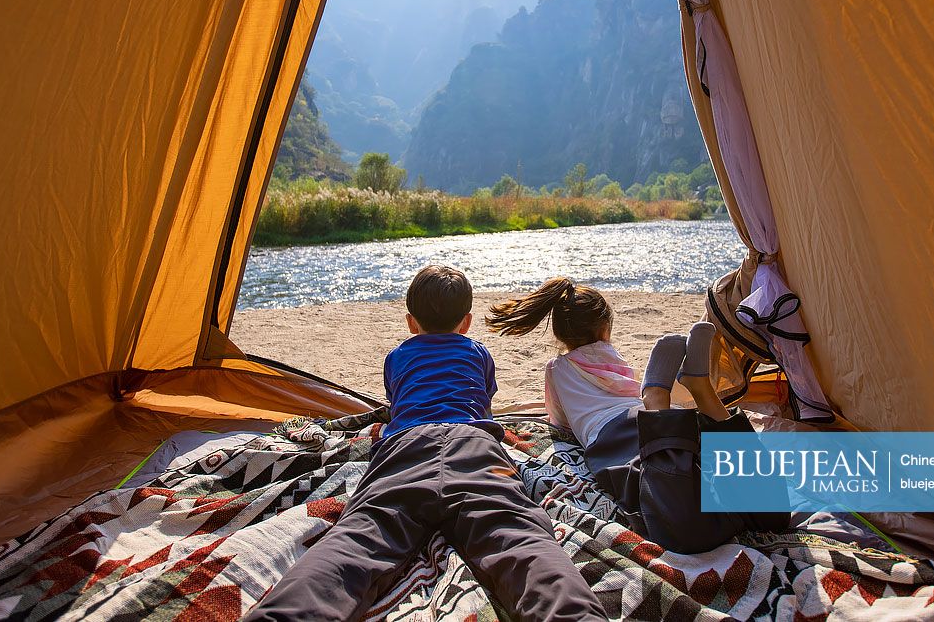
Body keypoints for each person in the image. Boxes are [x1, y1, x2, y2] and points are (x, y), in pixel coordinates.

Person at [246, 265, 607, 622]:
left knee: (360, 536)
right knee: (518, 536)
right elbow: (484, 407)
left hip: (406, 448)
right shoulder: (479, 353)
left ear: (410, 322)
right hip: (473, 445)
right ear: (466, 322)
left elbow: (397, 403)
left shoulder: (397, 356)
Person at [486, 277, 789, 554]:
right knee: (773, 512)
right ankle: (704, 396)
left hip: (619, 438)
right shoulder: (612, 356)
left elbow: (560, 422)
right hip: (658, 421)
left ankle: (656, 396)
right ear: (606, 330)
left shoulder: (556, 369)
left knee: (683, 528)